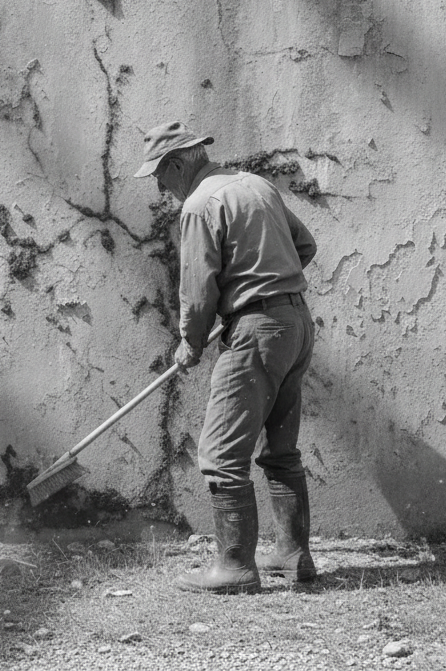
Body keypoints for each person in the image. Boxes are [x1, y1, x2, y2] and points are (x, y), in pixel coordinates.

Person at [134, 120, 318, 593]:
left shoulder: (199, 205)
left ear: (177, 164)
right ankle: (294, 557)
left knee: (220, 454)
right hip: (295, 324)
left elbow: (197, 291)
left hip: (257, 333)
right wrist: (269, 283)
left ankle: (235, 566)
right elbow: (305, 245)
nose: (159, 186)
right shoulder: (256, 185)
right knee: (281, 449)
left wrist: (190, 341)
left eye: (158, 174)